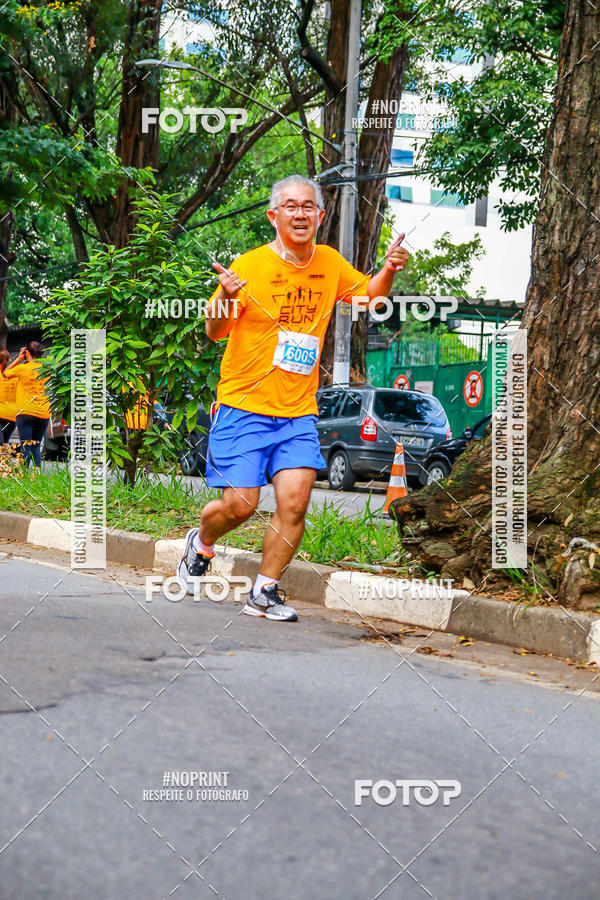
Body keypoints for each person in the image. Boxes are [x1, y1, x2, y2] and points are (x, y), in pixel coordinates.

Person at [177, 174, 409, 621]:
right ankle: (200, 543)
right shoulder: (250, 266)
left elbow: (369, 299)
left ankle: (264, 591)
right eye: (290, 206)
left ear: (320, 216)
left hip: (297, 411)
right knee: (240, 504)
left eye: (309, 206)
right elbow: (214, 332)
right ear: (273, 215)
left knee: (295, 501)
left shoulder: (329, 262)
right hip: (243, 406)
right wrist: (223, 300)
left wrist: (390, 269)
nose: (300, 213)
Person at [4, 340, 51, 467]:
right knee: (36, 445)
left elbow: (5, 373)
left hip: (25, 413)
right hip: (43, 413)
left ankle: (24, 476)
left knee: (25, 446)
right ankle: (36, 475)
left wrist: (18, 358)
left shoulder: (22, 368)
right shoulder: (47, 370)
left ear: (27, 353)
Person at [0, 349, 17, 444]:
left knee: (1, 443)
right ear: (9, 359)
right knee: (5, 443)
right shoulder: (14, 373)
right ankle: (6, 459)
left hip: (1, 413)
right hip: (12, 415)